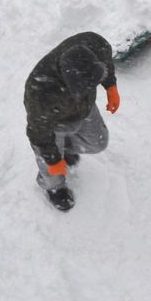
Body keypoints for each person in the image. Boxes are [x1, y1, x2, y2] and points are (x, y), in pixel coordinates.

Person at [22, 31, 121, 212]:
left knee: (98, 142)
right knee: (53, 168)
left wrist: (110, 85)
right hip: (53, 122)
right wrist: (53, 159)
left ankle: (66, 149)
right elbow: (38, 134)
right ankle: (53, 187)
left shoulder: (94, 43)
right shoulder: (41, 94)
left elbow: (106, 59)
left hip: (84, 109)